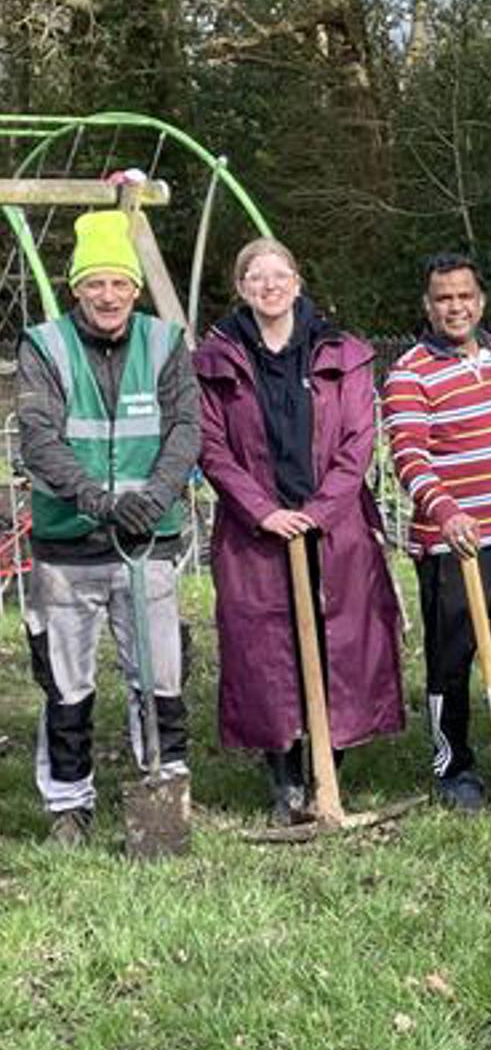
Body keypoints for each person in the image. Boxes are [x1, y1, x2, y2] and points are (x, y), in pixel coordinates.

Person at [194, 239, 406, 825]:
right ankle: (285, 773)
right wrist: (263, 511)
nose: (269, 286)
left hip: (335, 527)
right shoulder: (217, 360)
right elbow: (212, 447)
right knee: (264, 646)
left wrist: (320, 509)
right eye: (255, 277)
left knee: (346, 640)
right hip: (255, 531)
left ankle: (329, 767)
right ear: (240, 288)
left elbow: (358, 441)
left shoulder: (344, 353)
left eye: (279, 274)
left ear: (297, 279)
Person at [17, 210, 199, 845]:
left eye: (120, 283)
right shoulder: (45, 347)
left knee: (161, 674)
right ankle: (69, 802)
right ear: (76, 288)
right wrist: (95, 498)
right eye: (95, 283)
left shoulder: (164, 342)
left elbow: (185, 428)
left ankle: (167, 786)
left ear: (136, 288)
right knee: (66, 682)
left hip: (148, 540)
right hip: (69, 546)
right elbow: (38, 438)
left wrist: (155, 496)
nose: (109, 295)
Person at [381, 252, 491, 819]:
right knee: (451, 661)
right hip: (453, 546)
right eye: (443, 298)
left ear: (480, 301)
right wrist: (447, 509)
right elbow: (408, 454)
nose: (455, 307)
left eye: (464, 296)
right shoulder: (410, 371)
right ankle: (453, 766)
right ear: (427, 306)